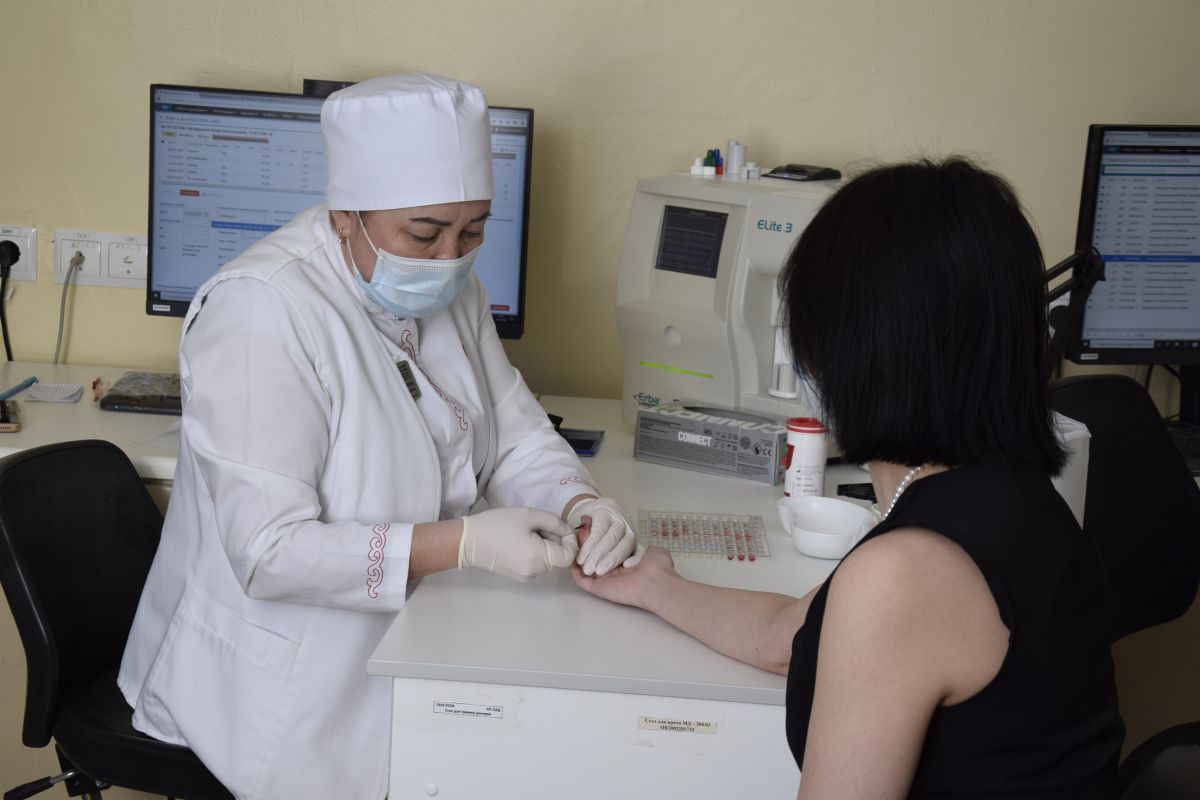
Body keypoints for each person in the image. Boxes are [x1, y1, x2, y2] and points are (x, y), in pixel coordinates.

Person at [117, 73, 639, 799]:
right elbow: (268, 553)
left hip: (406, 645)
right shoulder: (262, 312)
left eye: (473, 230)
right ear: (345, 215)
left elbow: (514, 434)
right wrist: (462, 543)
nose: (449, 257)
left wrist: (581, 503)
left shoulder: (456, 291)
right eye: (423, 233)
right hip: (278, 692)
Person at [573, 159, 1125, 798]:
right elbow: (790, 636)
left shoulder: (905, 574)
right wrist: (654, 585)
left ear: (853, 353)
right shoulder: (1016, 500)